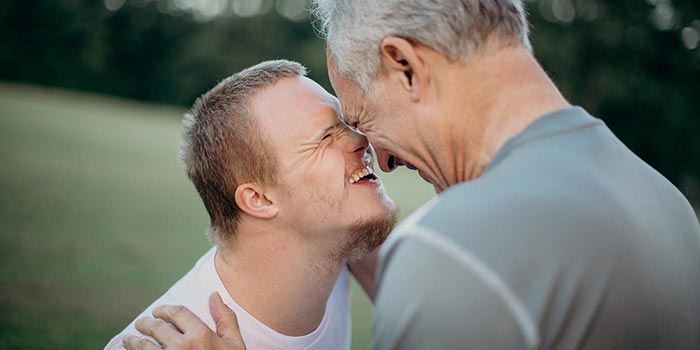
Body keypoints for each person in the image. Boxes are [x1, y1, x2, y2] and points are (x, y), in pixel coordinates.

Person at [127, 1, 700, 349]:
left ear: (405, 65)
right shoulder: (662, 199)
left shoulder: (457, 252)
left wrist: (429, 259)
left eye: (360, 118)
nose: (378, 154)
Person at [107, 59, 397, 350]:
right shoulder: (160, 342)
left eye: (347, 123)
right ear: (259, 199)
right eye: (325, 137)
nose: (361, 138)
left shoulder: (340, 241)